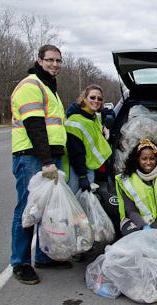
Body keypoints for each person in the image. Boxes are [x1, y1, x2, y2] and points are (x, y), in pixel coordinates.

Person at [10, 44, 71, 285]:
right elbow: (35, 126)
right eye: (50, 60)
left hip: (47, 157)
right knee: (27, 210)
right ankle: (21, 263)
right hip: (32, 157)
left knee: (46, 211)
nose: (55, 64)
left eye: (58, 60)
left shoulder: (48, 87)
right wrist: (46, 161)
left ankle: (44, 257)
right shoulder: (31, 85)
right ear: (39, 60)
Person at [115, 138, 157, 236]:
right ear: (137, 159)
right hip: (136, 219)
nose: (148, 162)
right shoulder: (127, 180)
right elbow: (131, 211)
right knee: (135, 238)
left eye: (152, 158)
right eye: (144, 159)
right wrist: (143, 225)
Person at [65, 84, 112, 193]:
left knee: (84, 206)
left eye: (99, 99)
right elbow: (75, 152)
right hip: (77, 170)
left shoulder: (93, 117)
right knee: (76, 205)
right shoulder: (75, 120)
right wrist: (82, 176)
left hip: (89, 167)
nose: (96, 101)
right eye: (92, 97)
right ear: (84, 99)